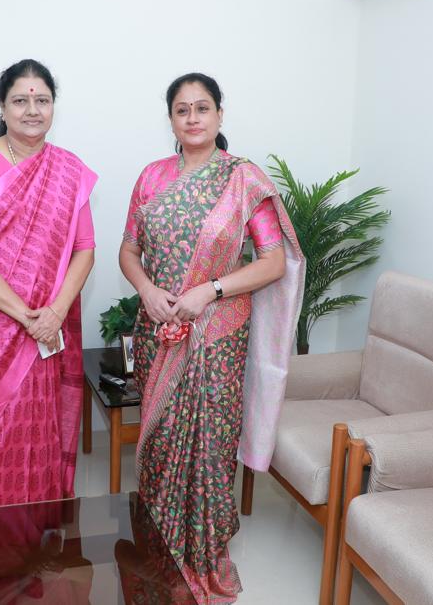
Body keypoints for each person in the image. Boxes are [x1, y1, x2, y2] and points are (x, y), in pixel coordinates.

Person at [118, 72, 305, 602]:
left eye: (203, 108)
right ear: (172, 120)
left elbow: (272, 263)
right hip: (160, 332)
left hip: (217, 337)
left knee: (209, 443)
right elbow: (128, 250)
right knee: (158, 443)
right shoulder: (151, 177)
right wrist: (147, 289)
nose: (193, 117)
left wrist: (212, 290)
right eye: (182, 109)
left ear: (221, 116)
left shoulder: (244, 180)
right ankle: (159, 544)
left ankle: (205, 552)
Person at [0, 59, 97, 510]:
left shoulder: (68, 170)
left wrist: (52, 314)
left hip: (48, 329)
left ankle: (38, 542)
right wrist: (25, 315)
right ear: (3, 105)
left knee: (39, 433)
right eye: (20, 100)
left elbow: (85, 250)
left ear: (53, 106)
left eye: (42, 100)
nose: (32, 110)